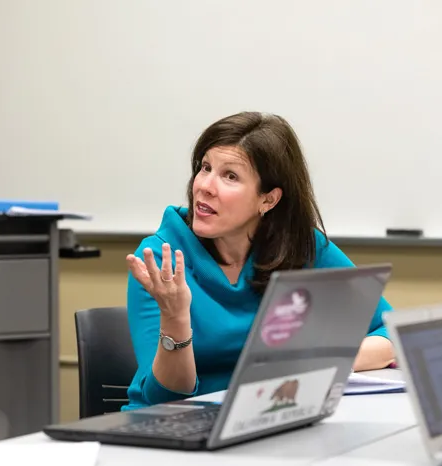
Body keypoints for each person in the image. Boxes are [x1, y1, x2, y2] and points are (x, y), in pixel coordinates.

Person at [123, 111, 395, 410]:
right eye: (205, 167)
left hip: (268, 417)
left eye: (230, 176)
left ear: (268, 200)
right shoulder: (159, 259)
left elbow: (390, 332)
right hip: (175, 425)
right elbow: (166, 397)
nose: (205, 186)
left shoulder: (302, 247)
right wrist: (175, 319)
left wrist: (313, 362)